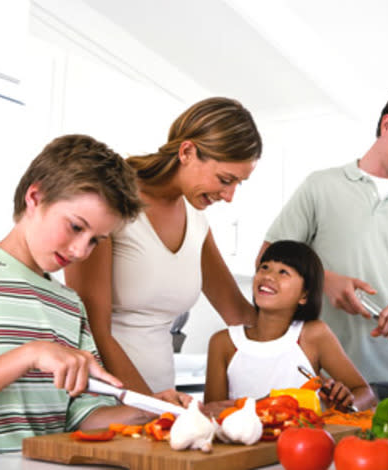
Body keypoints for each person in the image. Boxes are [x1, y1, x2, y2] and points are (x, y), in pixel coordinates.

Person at [0, 134, 191, 452]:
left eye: (96, 240)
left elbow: (79, 416)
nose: (81, 251)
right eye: (75, 227)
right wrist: (30, 354)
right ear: (35, 196)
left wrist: (147, 409)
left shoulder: (70, 305)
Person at [257, 81, 388, 383]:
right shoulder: (320, 186)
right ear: (387, 124)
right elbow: (267, 260)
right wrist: (325, 280)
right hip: (321, 375)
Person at [65, 97, 263, 395]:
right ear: (187, 151)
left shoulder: (196, 219)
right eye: (225, 179)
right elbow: (94, 330)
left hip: (160, 395)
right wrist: (150, 406)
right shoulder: (110, 198)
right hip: (103, 396)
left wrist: (314, 350)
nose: (229, 195)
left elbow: (239, 315)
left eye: (238, 183)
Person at [204, 241, 375, 411]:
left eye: (283, 272)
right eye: (264, 267)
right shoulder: (223, 342)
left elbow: (365, 393)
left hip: (303, 437)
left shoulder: (313, 335)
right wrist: (265, 404)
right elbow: (211, 413)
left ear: (304, 295)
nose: (268, 276)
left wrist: (347, 405)